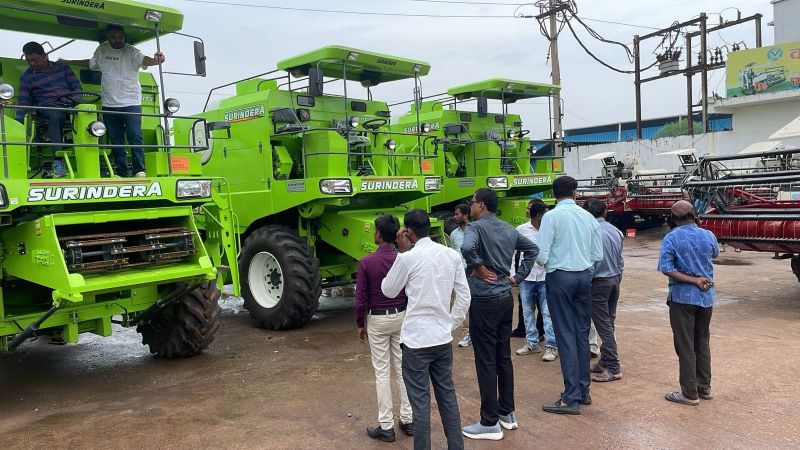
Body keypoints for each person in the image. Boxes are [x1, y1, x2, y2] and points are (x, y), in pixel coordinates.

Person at [381, 209, 470, 450]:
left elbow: (388, 289)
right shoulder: (450, 255)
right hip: (441, 339)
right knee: (447, 397)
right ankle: (456, 446)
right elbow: (464, 297)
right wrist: (449, 325)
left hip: (416, 342)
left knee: (420, 403)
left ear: (408, 232)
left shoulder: (408, 258)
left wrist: (401, 253)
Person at [460, 188, 538, 440]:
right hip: (505, 298)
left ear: (481, 206)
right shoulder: (508, 229)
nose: (470, 207)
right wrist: (518, 277)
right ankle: (507, 413)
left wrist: (478, 268)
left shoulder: (474, 228)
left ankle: (489, 422)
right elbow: (533, 251)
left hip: (483, 300)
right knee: (502, 356)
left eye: (472, 203)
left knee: (486, 360)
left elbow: (467, 248)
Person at [536, 176, 602, 415]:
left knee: (565, 335)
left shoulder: (551, 217)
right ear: (575, 192)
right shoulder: (588, 217)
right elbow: (597, 254)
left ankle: (570, 398)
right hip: (584, 276)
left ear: (554, 194)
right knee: (582, 334)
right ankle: (583, 391)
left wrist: (551, 264)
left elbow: (541, 254)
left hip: (560, 277)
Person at [63, 25, 165, 177]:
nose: (118, 40)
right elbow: (91, 64)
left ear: (124, 36)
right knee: (116, 140)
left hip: (131, 103)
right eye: (114, 37)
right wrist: (68, 61)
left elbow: (146, 60)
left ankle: (139, 170)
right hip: (109, 103)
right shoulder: (102, 50)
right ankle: (121, 172)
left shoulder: (131, 51)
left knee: (135, 137)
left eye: (120, 37)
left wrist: (157, 60)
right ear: (108, 37)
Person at [355, 214, 413, 442]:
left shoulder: (366, 262)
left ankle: (386, 426)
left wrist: (360, 323)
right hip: (401, 316)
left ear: (378, 234)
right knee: (402, 370)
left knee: (382, 372)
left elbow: (360, 299)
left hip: (377, 319)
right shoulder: (404, 258)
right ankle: (408, 420)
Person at [658, 200, 718, 406]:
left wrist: (692, 279)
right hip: (706, 297)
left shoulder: (671, 238)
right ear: (694, 215)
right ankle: (704, 388)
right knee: (702, 342)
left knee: (685, 346)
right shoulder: (708, 235)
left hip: (682, 298)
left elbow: (666, 268)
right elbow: (715, 254)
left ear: (672, 219)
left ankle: (689, 394)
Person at [17, 42, 82, 176]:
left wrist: (75, 101)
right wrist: (18, 124)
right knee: (55, 117)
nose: (32, 63)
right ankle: (58, 162)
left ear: (44, 55)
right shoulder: (26, 77)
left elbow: (77, 88)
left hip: (70, 105)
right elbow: (23, 101)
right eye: (29, 60)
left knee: (92, 117)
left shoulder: (63, 68)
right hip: (47, 108)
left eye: (35, 59)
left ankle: (96, 160)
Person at [583, 199, 624, 382]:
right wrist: (617, 278)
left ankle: (613, 367)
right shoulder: (615, 231)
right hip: (614, 280)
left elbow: (590, 263)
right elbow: (620, 260)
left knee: (604, 327)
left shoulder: (590, 232)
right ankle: (605, 361)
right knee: (609, 323)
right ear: (605, 213)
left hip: (599, 283)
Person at [513, 198, 558, 362]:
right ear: (539, 215)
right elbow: (514, 254)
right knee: (527, 312)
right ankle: (532, 343)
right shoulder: (521, 230)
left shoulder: (551, 229)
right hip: (527, 277)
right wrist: (514, 274)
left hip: (547, 277)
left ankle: (551, 345)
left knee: (547, 313)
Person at [450, 204, 472, 348]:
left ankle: (478, 332)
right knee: (462, 302)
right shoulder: (453, 234)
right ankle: (467, 333)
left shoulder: (476, 230)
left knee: (476, 303)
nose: (455, 217)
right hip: (460, 273)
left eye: (457, 214)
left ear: (465, 215)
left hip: (474, 271)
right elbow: (453, 253)